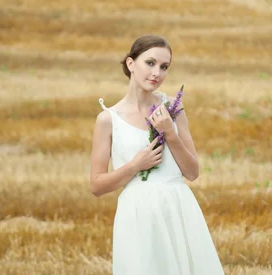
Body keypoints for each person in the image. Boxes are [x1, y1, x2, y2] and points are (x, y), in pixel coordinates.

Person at [90, 35, 224, 274]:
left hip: (178, 207)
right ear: (131, 64)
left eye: (164, 67)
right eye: (150, 63)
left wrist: (170, 133)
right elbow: (97, 185)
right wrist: (135, 165)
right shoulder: (108, 120)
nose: (157, 73)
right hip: (137, 214)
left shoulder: (173, 109)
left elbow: (192, 173)